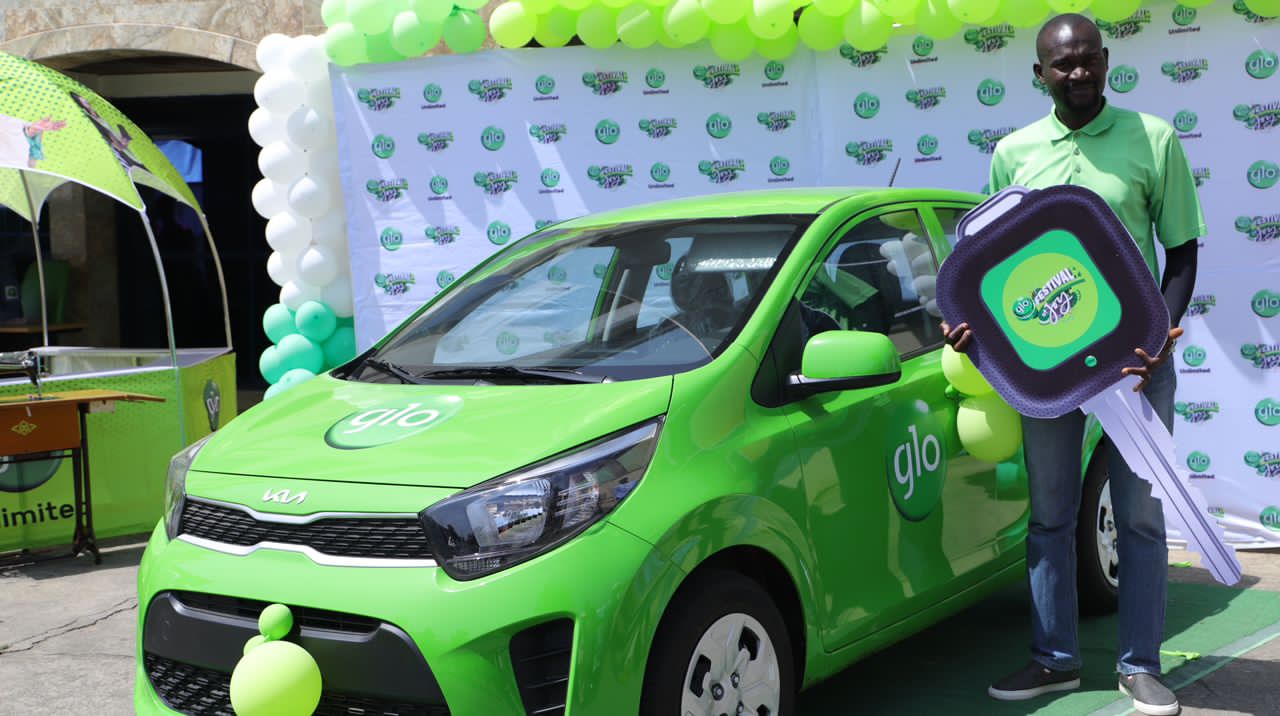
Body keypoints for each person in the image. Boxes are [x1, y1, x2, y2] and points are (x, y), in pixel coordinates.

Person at [941, 14, 1203, 716]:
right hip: (1049, 372)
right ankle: (1053, 660)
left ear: (1106, 60)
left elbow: (1181, 251)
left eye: (1088, 59)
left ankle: (1140, 666)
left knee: (1139, 519)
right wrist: (972, 329)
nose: (1078, 72)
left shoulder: (1154, 139)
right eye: (1063, 64)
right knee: (1051, 518)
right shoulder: (1013, 154)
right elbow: (994, 266)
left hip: (1135, 364)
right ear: (1040, 74)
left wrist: (1159, 339)